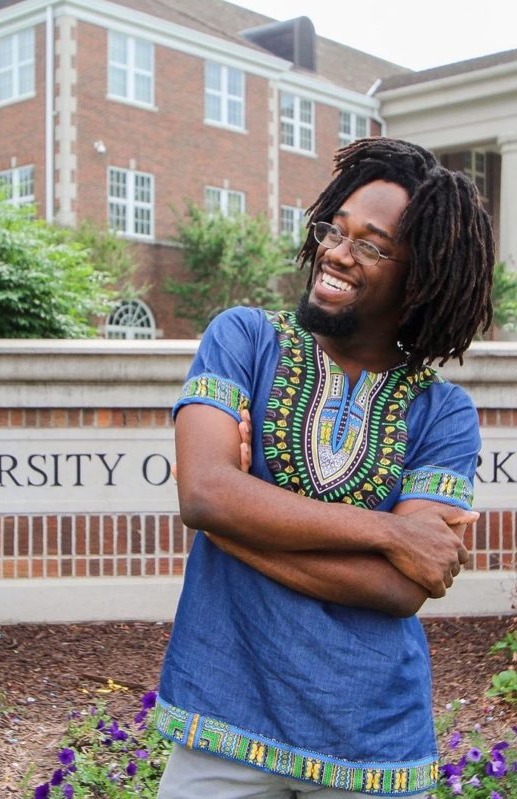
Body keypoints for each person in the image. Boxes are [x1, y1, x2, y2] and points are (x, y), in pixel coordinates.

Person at [155, 137, 495, 799]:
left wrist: (238, 513)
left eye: (372, 244)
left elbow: (401, 590)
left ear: (419, 276)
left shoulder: (442, 413)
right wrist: (391, 533)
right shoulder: (245, 340)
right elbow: (203, 492)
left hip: (371, 748)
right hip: (224, 720)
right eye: (333, 230)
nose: (336, 253)